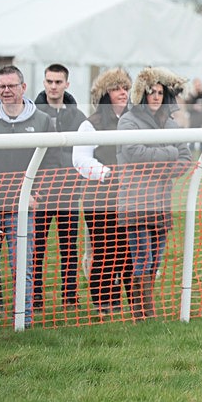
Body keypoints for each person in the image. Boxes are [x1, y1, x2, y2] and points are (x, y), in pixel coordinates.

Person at [0, 65, 61, 329]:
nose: (6, 91)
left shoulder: (42, 121)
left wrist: (37, 194)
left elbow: (52, 163)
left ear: (23, 87)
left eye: (11, 86)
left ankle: (23, 323)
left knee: (22, 267)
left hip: (22, 209)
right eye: (2, 86)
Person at [117, 67, 192, 320]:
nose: (156, 97)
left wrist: (163, 167)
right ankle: (142, 312)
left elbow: (186, 157)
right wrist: (169, 155)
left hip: (161, 203)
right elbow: (133, 153)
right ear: (142, 94)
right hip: (135, 202)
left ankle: (146, 311)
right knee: (143, 258)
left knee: (155, 261)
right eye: (151, 92)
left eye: (160, 92)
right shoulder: (128, 120)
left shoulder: (171, 123)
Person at [73, 68, 133, 316]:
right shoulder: (91, 124)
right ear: (105, 93)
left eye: (125, 88)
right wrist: (107, 174)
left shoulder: (135, 120)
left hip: (130, 196)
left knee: (127, 249)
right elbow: (80, 159)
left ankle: (129, 300)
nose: (122, 92)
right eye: (116, 88)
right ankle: (103, 301)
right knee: (104, 249)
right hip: (99, 196)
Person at [33, 64, 87, 309]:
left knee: (69, 247)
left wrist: (77, 181)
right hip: (40, 193)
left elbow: (84, 152)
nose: (53, 86)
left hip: (68, 192)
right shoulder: (32, 113)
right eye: (49, 81)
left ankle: (70, 296)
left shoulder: (78, 117)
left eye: (58, 82)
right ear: (44, 82)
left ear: (67, 84)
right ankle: (34, 296)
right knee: (36, 247)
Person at [187, 78, 202, 153]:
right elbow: (186, 108)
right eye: (196, 85)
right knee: (192, 144)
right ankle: (191, 158)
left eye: (199, 85)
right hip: (193, 123)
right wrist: (193, 107)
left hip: (201, 123)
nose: (198, 87)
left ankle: (201, 158)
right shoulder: (190, 97)